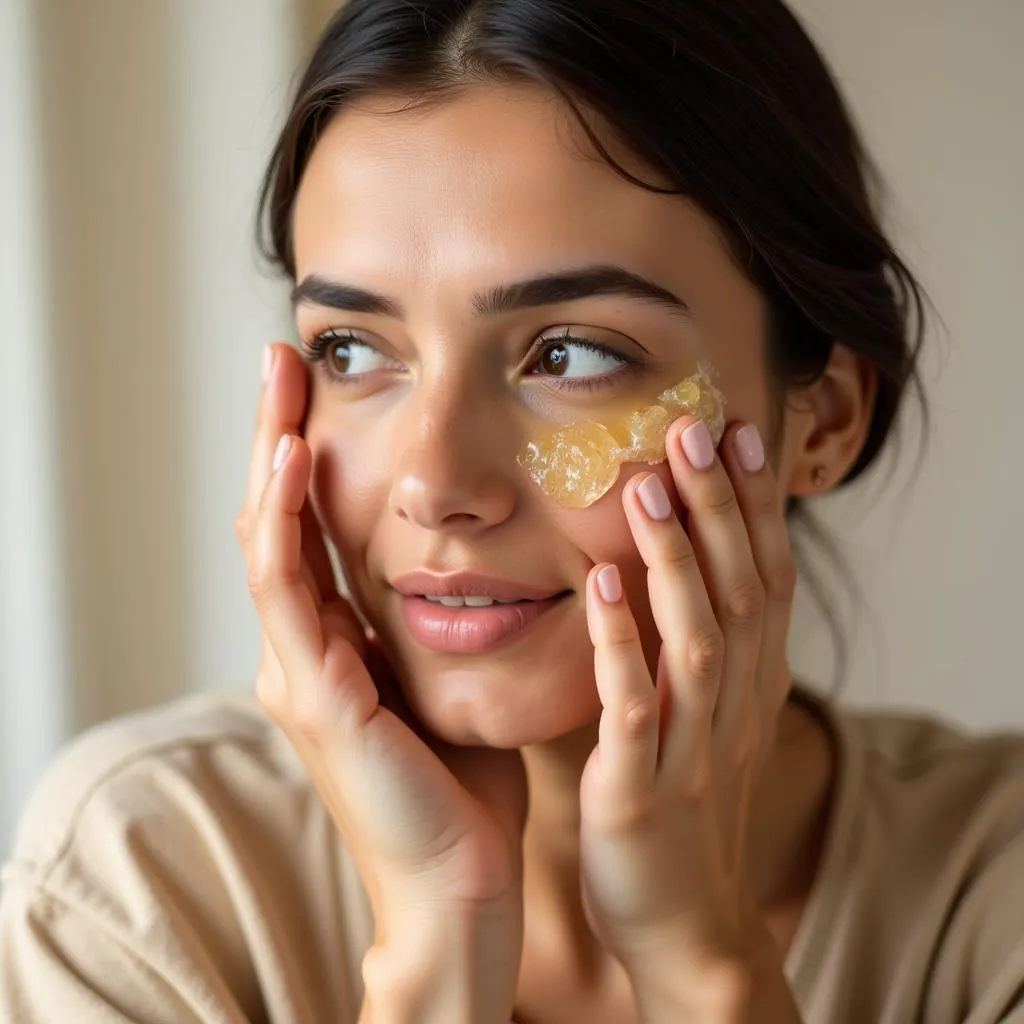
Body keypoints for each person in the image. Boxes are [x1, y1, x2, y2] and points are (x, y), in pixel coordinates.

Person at [3, 1, 1022, 1021]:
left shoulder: (989, 897)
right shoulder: (142, 881)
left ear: (823, 421)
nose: (434, 483)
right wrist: (436, 947)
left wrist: (701, 965)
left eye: (572, 353)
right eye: (351, 350)